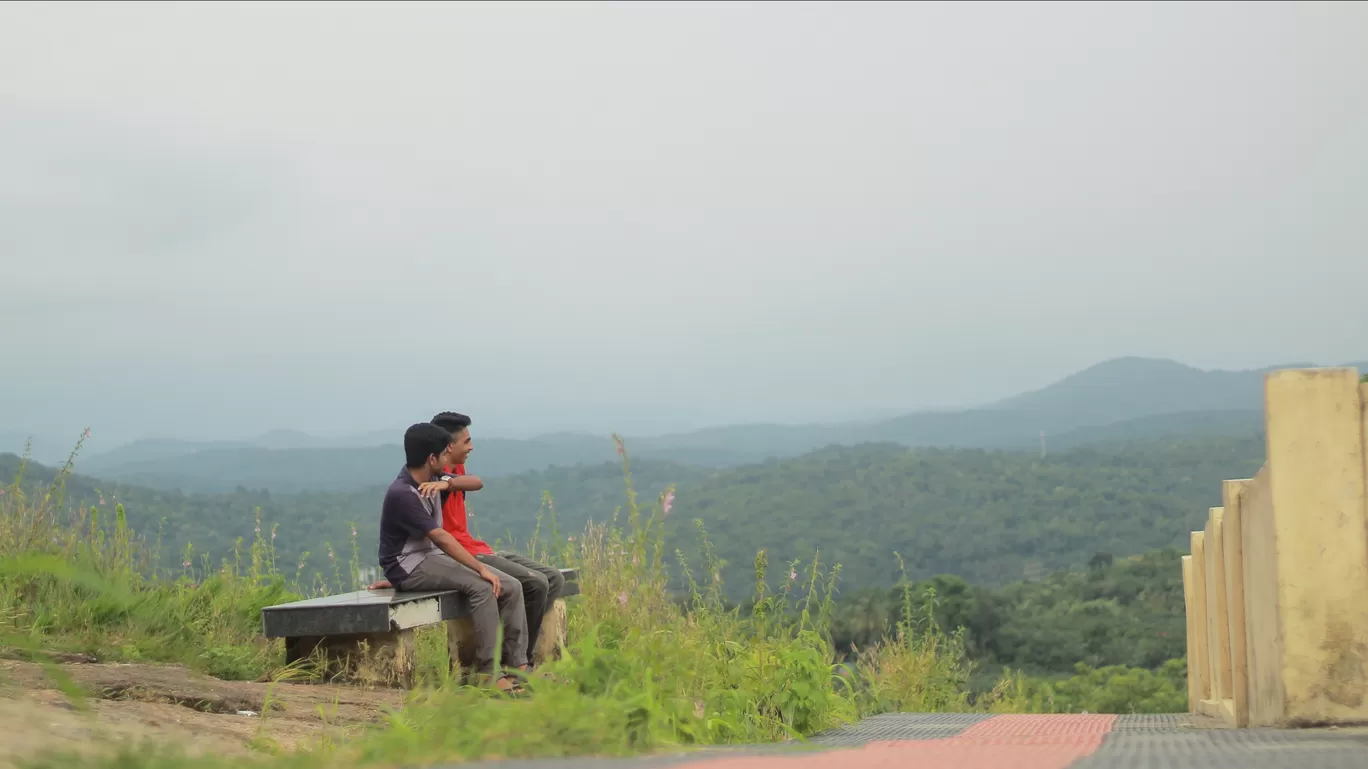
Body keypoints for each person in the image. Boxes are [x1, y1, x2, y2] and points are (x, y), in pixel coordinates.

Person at [378, 422, 527, 692]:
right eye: (444, 455)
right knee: (483, 588)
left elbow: (475, 482)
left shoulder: (433, 481)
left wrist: (447, 485)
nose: (449, 462)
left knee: (511, 586)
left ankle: (518, 666)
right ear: (431, 458)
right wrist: (481, 569)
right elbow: (442, 539)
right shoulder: (403, 493)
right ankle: (487, 674)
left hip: (429, 558)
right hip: (410, 565)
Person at [428, 411, 567, 663]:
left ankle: (520, 653)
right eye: (466, 441)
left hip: (479, 547)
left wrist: (450, 482)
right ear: (449, 446)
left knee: (554, 579)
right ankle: (516, 662)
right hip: (463, 555)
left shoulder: (454, 470)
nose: (471, 447)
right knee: (535, 584)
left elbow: (475, 482)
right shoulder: (431, 477)